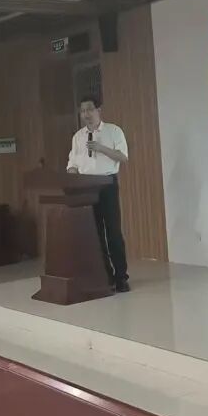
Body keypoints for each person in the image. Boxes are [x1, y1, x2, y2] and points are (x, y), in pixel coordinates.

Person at [67, 95, 131, 293]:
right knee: (95, 234)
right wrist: (72, 176)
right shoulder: (78, 137)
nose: (86, 114)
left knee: (113, 232)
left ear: (98, 110)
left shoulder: (113, 131)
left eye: (89, 109)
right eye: (82, 111)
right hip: (86, 187)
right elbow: (72, 164)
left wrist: (101, 148)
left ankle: (121, 277)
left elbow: (123, 157)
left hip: (107, 184)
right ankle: (106, 276)